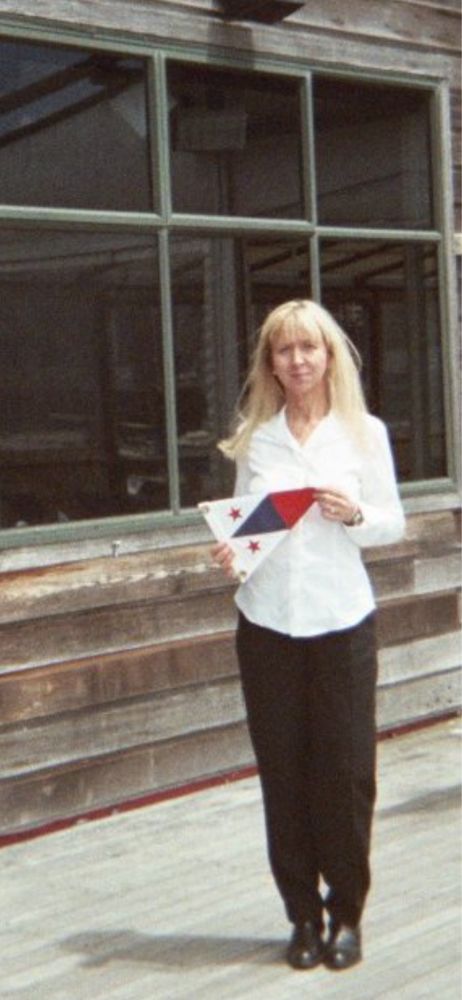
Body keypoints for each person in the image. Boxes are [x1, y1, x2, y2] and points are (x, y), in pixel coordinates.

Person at [212, 299, 405, 972]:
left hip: (341, 623)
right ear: (270, 363)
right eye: (283, 350)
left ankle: (346, 914)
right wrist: (233, 552)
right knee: (284, 773)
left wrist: (354, 514)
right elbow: (247, 533)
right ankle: (301, 916)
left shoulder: (364, 434)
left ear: (329, 357)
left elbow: (393, 523)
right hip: (266, 625)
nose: (297, 361)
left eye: (308, 348)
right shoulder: (257, 438)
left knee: (346, 775)